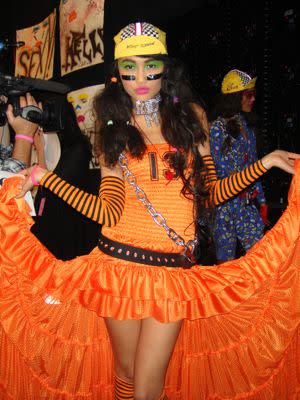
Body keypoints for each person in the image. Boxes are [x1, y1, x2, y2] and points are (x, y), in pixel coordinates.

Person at [0, 21, 300, 400]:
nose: (139, 78)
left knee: (147, 389)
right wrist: (46, 177)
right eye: (129, 68)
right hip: (119, 267)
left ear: (165, 68)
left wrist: (266, 162)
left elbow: (208, 196)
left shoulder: (192, 118)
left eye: (149, 66)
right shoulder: (112, 128)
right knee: (125, 377)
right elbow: (108, 213)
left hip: (171, 273)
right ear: (117, 74)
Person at [209, 69, 268, 263]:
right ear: (235, 97)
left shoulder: (247, 127)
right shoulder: (216, 129)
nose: (253, 99)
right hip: (224, 209)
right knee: (226, 266)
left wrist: (262, 202)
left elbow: (254, 166)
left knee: (261, 259)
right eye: (249, 94)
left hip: (246, 206)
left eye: (254, 94)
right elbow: (218, 172)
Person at [31, 100, 100, 260]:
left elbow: (52, 185)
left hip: (66, 220)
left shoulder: (78, 147)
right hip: (51, 214)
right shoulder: (53, 143)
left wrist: (41, 150)